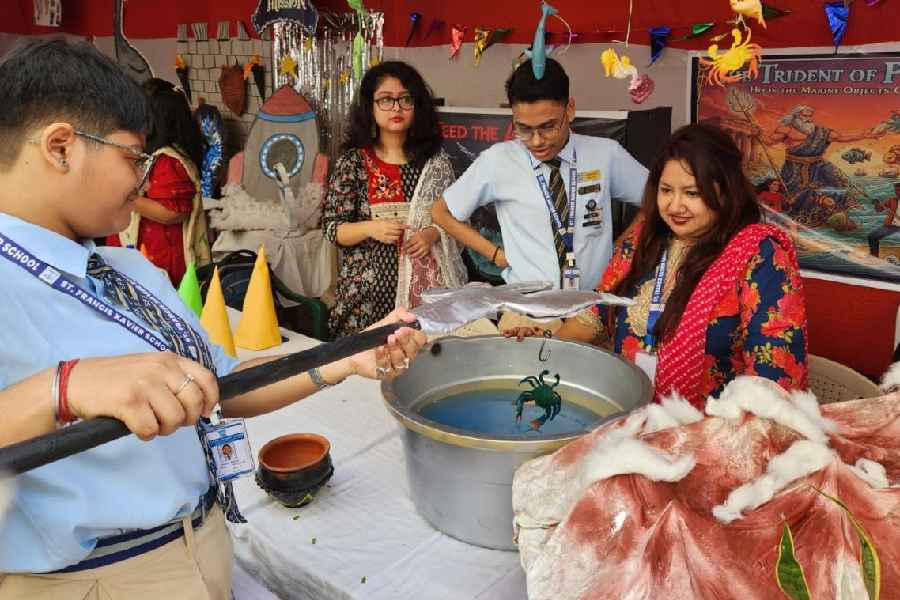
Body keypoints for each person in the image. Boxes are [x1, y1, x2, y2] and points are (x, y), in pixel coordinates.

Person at [0, 39, 426, 599]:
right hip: (92, 580)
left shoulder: (130, 269)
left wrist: (343, 358)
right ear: (61, 148)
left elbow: (223, 385)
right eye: (134, 158)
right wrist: (60, 389)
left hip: (200, 544)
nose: (143, 180)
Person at [506, 124, 808, 408]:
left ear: (726, 191)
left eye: (692, 193)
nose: (675, 206)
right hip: (629, 411)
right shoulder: (643, 241)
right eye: (666, 190)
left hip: (712, 429)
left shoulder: (760, 256)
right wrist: (545, 346)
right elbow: (596, 315)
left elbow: (773, 372)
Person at [432, 58, 648, 292]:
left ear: (570, 109)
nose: (536, 141)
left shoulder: (605, 154)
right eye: (524, 129)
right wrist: (495, 255)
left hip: (594, 302)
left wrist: (622, 249)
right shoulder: (498, 160)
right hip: (527, 305)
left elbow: (656, 199)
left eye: (548, 127)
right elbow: (441, 212)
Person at [323, 61, 466, 337]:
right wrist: (370, 228)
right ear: (370, 106)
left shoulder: (435, 164)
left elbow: (458, 220)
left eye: (405, 99)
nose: (396, 108)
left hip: (424, 300)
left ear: (417, 106)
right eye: (386, 100)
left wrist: (432, 234)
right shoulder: (353, 162)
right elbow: (332, 228)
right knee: (365, 361)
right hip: (364, 301)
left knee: (421, 360)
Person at [106, 78, 210, 286]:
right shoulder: (154, 156)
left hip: (159, 258)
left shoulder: (167, 162)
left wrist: (127, 198)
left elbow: (172, 213)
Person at [869, 182, 900, 257]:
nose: (897, 192)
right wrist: (876, 204)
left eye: (899, 190)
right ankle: (874, 256)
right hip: (892, 225)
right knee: (872, 237)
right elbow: (879, 209)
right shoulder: (892, 200)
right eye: (896, 190)